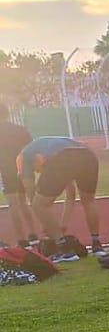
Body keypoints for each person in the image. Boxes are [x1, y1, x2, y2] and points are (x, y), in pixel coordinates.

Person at [16, 135, 104, 254]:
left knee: (39, 204)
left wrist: (46, 225)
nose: (37, 172)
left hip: (63, 157)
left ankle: (63, 249)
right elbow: (71, 193)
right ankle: (96, 243)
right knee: (88, 201)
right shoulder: (45, 148)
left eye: (35, 170)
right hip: (88, 155)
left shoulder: (23, 157)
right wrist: (63, 224)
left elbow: (32, 196)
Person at [0, 104, 38, 248]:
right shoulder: (21, 130)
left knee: (13, 204)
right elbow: (32, 148)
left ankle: (22, 239)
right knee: (23, 202)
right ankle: (33, 234)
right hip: (24, 168)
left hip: (7, 169)